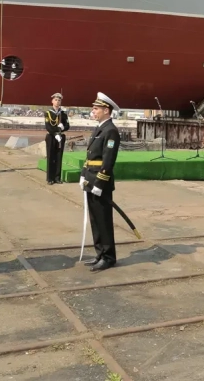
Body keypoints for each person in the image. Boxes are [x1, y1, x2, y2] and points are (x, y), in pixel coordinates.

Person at [80, 92, 122, 272]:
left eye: (96, 108)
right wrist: (83, 174)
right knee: (95, 220)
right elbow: (91, 156)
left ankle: (108, 257)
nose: (93, 111)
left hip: (100, 183)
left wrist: (100, 183)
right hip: (91, 180)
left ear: (106, 110)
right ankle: (100, 253)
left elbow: (108, 160)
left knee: (103, 221)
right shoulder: (99, 128)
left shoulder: (110, 131)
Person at [44, 93, 69, 185]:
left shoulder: (63, 114)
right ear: (52, 101)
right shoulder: (48, 113)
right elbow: (48, 127)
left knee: (59, 157)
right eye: (56, 100)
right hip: (51, 136)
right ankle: (50, 178)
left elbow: (67, 125)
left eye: (59, 100)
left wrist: (63, 128)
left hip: (60, 136)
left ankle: (57, 177)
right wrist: (55, 133)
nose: (57, 102)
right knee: (51, 157)